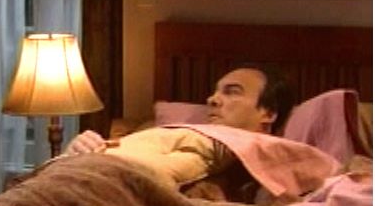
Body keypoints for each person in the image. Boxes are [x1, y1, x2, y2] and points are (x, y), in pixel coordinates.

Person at [64, 67, 293, 155]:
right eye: (215, 92)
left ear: (269, 113)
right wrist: (76, 152)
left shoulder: (280, 166)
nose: (212, 99)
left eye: (232, 92)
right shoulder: (176, 137)